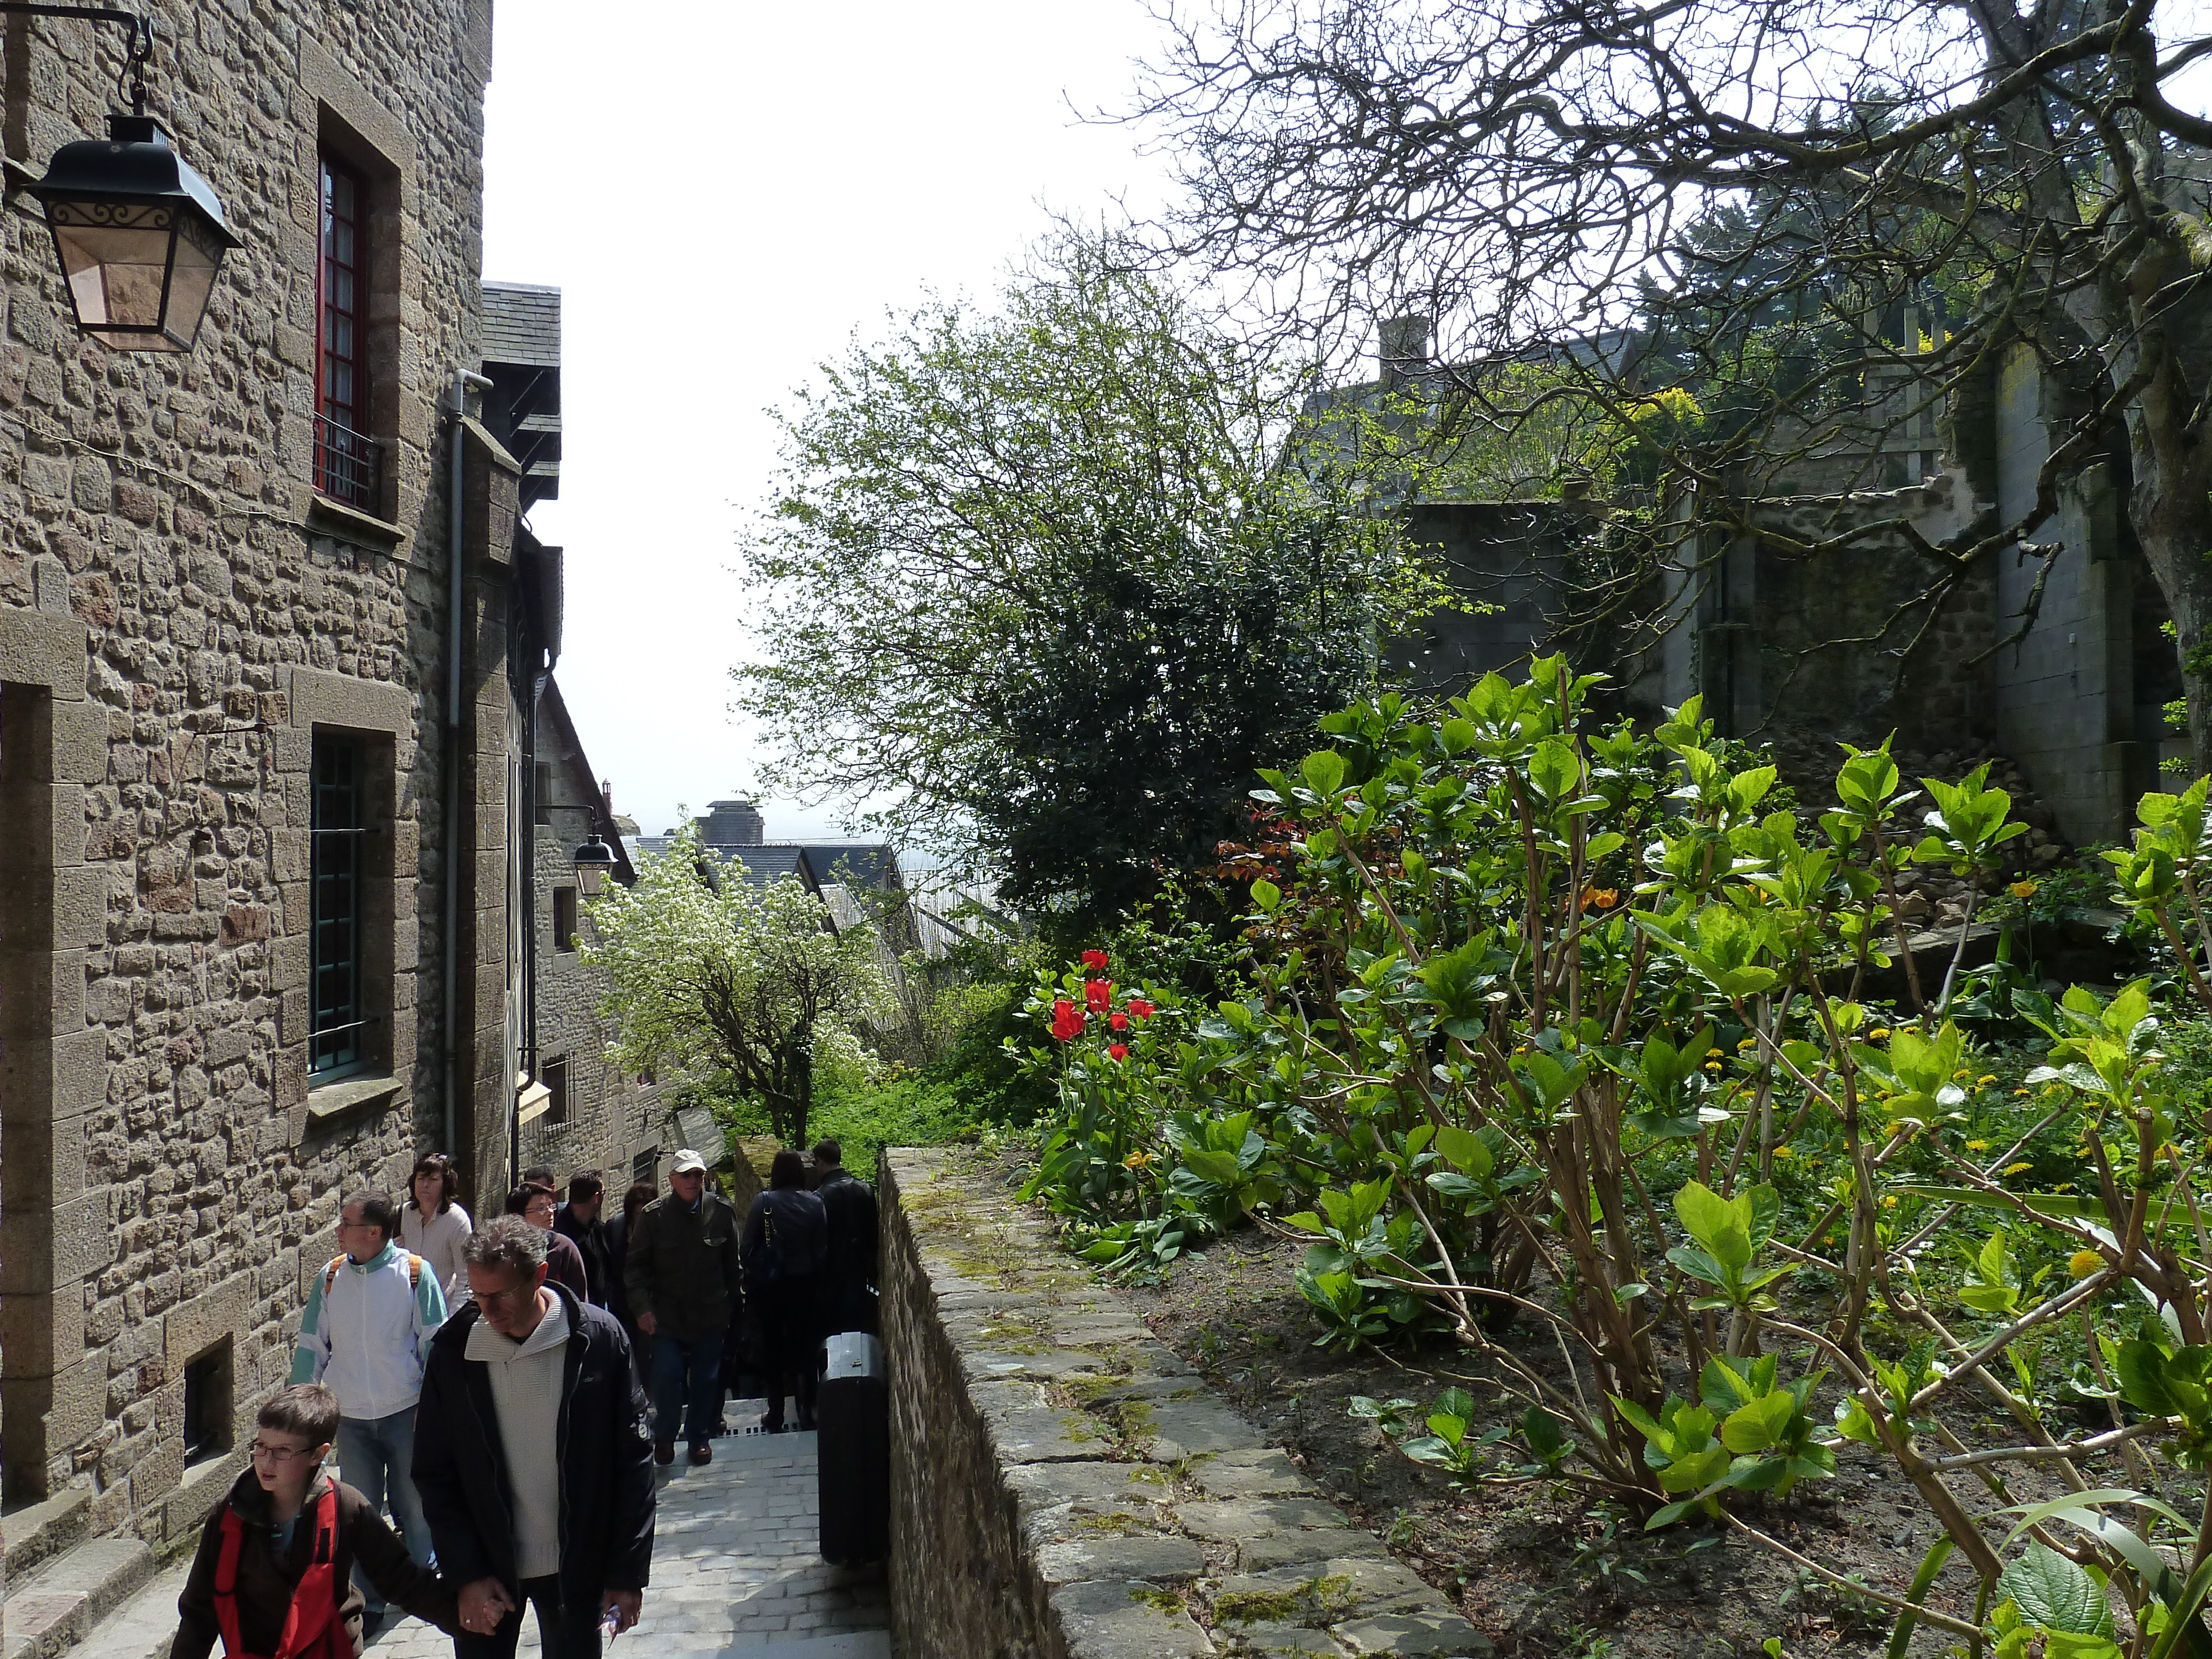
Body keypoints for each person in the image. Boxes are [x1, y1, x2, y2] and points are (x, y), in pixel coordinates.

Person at [413, 1217, 654, 1659]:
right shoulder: (453, 1353)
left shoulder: (598, 1341)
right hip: (489, 1569)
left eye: (500, 1295)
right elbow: (435, 1472)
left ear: (540, 1276)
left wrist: (627, 1573)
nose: (487, 1310)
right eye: (477, 1295)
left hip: (576, 1566)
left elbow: (634, 1465)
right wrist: (465, 1574)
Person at [171, 1384, 457, 1659]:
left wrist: (466, 1617)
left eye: (282, 1451)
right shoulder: (229, 1514)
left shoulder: (346, 1506)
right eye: (260, 1446)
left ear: (318, 1455)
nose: (266, 1462)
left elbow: (401, 1580)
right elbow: (199, 1611)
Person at [288, 1192, 446, 1614]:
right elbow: (311, 1348)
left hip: (406, 1413)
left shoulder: (415, 1274)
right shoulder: (330, 1277)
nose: (337, 1231)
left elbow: (436, 1347)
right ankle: (368, 1604)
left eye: (346, 1223)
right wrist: (300, 1418)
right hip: (351, 1418)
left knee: (414, 1506)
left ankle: (421, 1590)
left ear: (374, 1232)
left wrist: (433, 1413)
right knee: (359, 1513)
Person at [625, 1150, 743, 1465]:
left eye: (698, 1175)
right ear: (672, 1179)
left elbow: (734, 1266)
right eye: (687, 1175)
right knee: (667, 1377)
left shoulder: (720, 1213)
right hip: (668, 1318)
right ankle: (664, 1436)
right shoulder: (653, 1218)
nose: (693, 1181)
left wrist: (736, 1307)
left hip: (710, 1315)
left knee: (706, 1380)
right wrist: (642, 1309)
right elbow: (635, 1269)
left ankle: (699, 1438)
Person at [740, 1150, 827, 1434]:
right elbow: (821, 1250)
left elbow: (746, 1248)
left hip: (771, 1288)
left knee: (773, 1350)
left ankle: (776, 1411)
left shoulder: (764, 1202)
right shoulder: (816, 1203)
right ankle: (806, 1409)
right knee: (804, 1350)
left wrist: (759, 1271)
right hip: (804, 1287)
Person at [810, 1140, 880, 1336]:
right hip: (861, 1271)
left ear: (821, 1161)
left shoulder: (819, 1197)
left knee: (832, 1332)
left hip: (831, 1275)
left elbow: (818, 1240)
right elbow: (874, 1233)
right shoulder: (865, 1189)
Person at [400, 1152, 474, 1308]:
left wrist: (454, 1321)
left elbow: (466, 1275)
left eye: (433, 1179)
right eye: (421, 1179)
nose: (425, 1185)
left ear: (444, 1184)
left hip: (441, 1308)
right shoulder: (402, 1213)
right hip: (405, 1309)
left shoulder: (457, 1220)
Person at [603, 1180, 656, 1378]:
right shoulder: (614, 1230)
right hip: (620, 1309)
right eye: (638, 1214)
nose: (643, 1219)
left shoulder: (660, 1234)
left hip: (649, 1308)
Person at [504, 1183, 590, 1303]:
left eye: (550, 1206)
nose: (550, 1212)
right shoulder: (505, 1250)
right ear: (517, 1217)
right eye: (541, 1208)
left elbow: (579, 1299)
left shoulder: (563, 1247)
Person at [554, 1173, 614, 1310]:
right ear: (596, 1198)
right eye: (603, 1193)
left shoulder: (598, 1229)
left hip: (600, 1306)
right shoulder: (561, 1238)